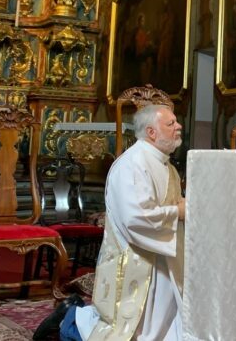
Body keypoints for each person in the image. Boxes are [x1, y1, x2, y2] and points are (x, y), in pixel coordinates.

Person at [76, 104, 186, 341]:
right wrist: (177, 211)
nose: (179, 127)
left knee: (162, 328)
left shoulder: (165, 165)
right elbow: (135, 218)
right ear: (151, 132)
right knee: (124, 331)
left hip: (161, 257)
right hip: (134, 259)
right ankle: (69, 323)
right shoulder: (132, 164)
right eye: (171, 124)